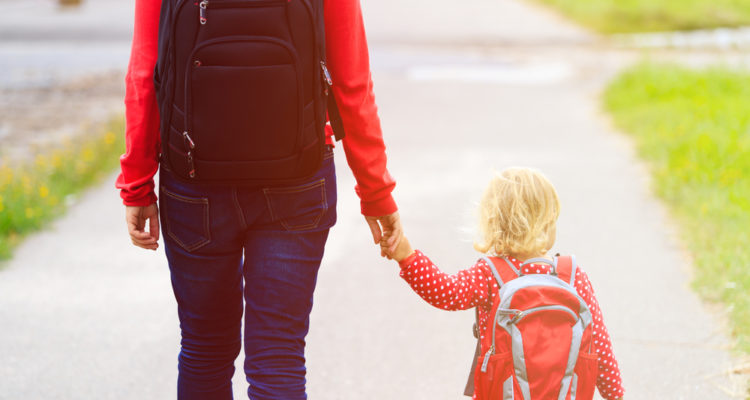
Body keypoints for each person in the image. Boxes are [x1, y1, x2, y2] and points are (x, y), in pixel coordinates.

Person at [116, 0, 402, 398]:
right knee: (279, 356)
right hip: (298, 178)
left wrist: (137, 182)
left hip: (195, 181)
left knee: (204, 350)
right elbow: (352, 80)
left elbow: (145, 72)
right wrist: (376, 193)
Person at [381, 167, 625, 400]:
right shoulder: (572, 276)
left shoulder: (490, 274)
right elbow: (600, 346)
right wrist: (615, 395)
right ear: (549, 220)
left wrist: (407, 256)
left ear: (493, 221)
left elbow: (446, 292)